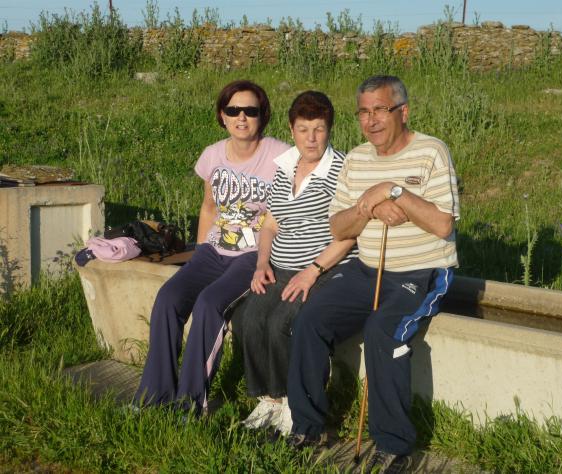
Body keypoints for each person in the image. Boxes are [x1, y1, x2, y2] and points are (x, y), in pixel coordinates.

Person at [284, 75, 460, 472]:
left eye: (381, 109)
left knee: (384, 330)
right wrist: (368, 206)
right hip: (368, 269)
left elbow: (443, 225)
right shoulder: (356, 159)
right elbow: (338, 228)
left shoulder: (432, 152)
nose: (371, 120)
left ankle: (394, 444)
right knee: (310, 318)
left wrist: (394, 190)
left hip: (422, 271)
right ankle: (308, 427)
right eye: (363, 112)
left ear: (403, 111)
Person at [133, 80, 290, 416]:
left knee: (208, 303)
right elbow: (208, 207)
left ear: (263, 115)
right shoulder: (212, 155)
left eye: (250, 111)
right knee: (168, 298)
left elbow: (288, 210)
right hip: (212, 250)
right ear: (222, 115)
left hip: (253, 254)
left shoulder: (280, 155)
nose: (242, 117)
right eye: (233, 110)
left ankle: (189, 403)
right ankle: (154, 396)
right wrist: (200, 251)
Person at [232, 91, 356, 434]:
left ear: (330, 129)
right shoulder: (285, 166)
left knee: (281, 323)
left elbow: (350, 233)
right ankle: (269, 399)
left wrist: (312, 272)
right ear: (292, 130)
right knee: (248, 319)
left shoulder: (342, 169)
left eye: (319, 129)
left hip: (322, 268)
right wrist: (261, 263)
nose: (311, 138)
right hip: (279, 266)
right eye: (303, 129)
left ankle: (292, 400)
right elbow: (270, 223)